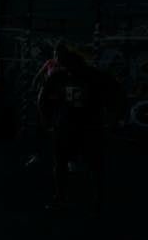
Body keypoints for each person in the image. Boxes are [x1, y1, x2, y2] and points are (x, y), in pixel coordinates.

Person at [38, 46, 115, 214]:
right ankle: (95, 201)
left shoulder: (61, 76)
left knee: (67, 165)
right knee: (91, 166)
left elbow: (42, 100)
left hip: (71, 128)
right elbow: (115, 97)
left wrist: (48, 121)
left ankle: (64, 199)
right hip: (84, 128)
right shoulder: (94, 76)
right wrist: (112, 122)